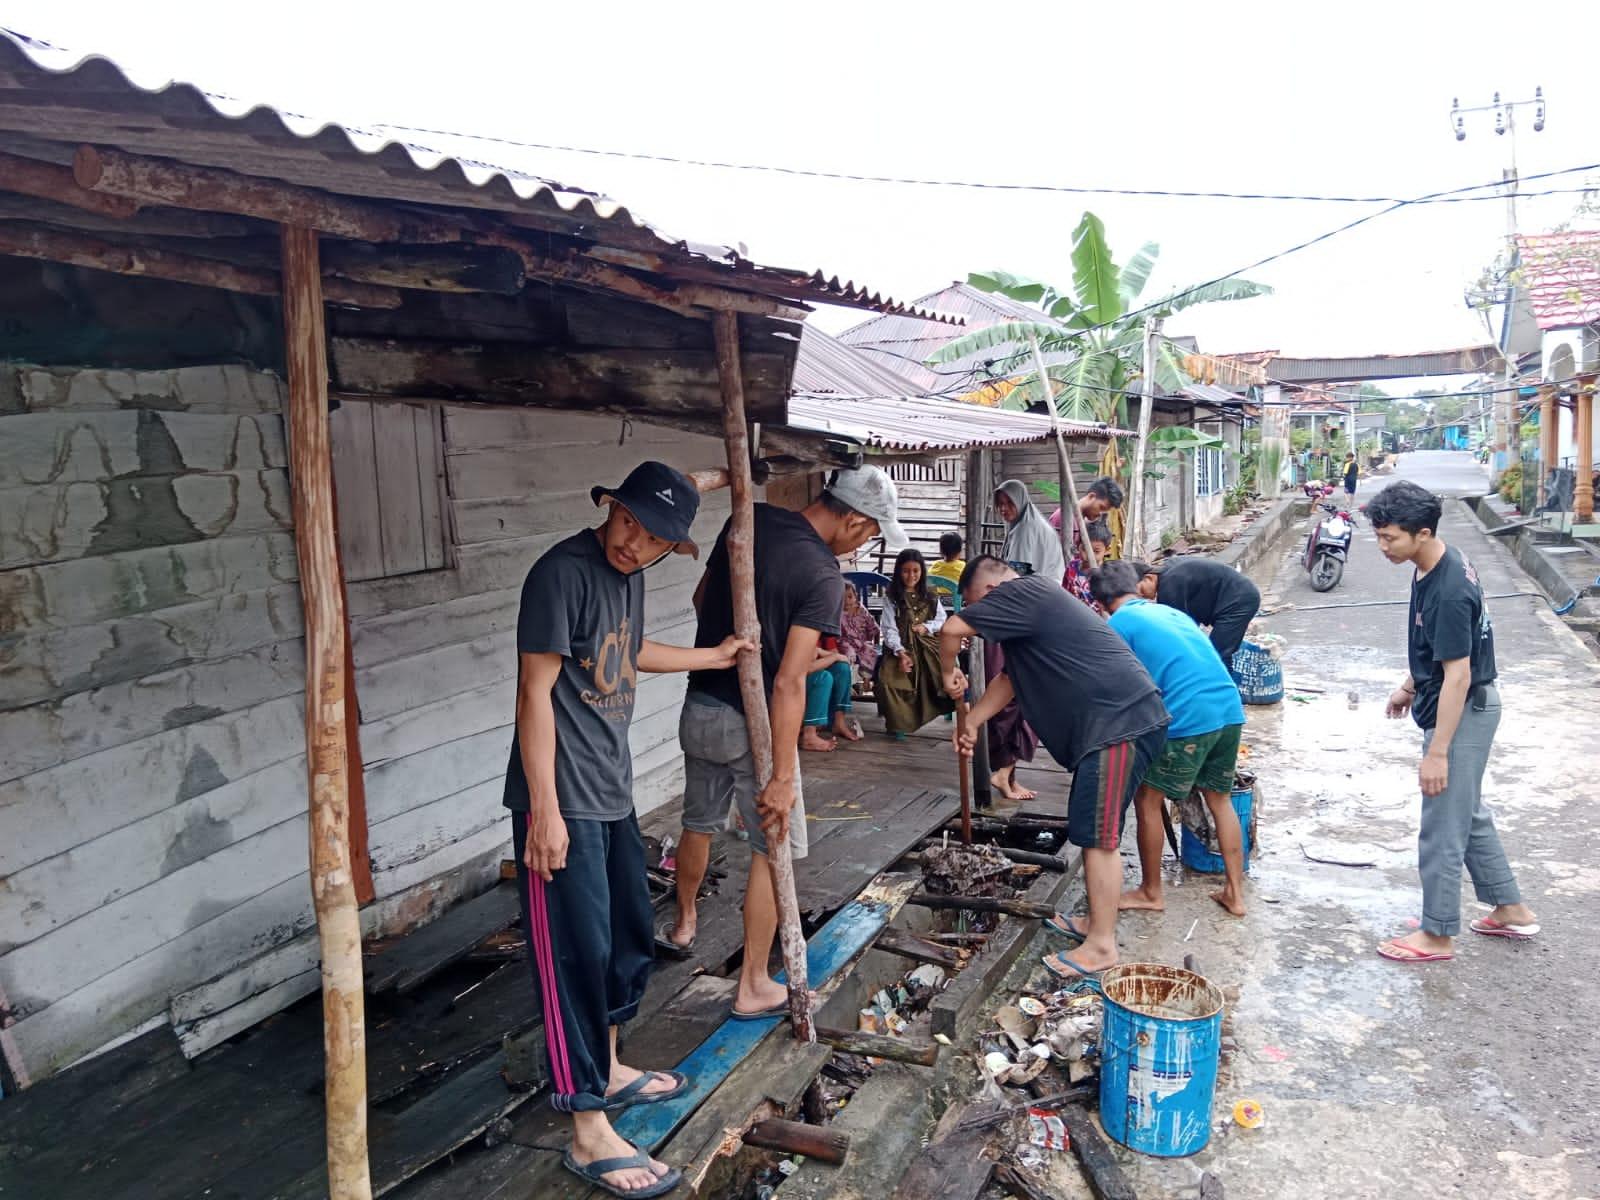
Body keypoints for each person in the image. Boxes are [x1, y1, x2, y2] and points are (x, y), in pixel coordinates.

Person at [505, 461, 752, 1197]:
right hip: (562, 800)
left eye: (650, 539)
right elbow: (534, 690)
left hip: (609, 791)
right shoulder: (561, 573)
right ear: (608, 507)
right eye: (627, 523)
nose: (632, 543)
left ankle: (608, 1066)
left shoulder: (629, 575)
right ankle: (585, 1127)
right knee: (574, 958)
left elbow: (626, 651)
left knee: (623, 939)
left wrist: (712, 656)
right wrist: (544, 810)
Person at [664, 466, 906, 1014]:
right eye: (869, 532)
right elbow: (791, 679)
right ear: (852, 519)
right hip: (750, 723)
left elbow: (704, 600)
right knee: (772, 848)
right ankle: (753, 984)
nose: (864, 543)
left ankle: (683, 924)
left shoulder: (749, 519)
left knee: (697, 820)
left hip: (700, 703)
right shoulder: (821, 574)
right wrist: (780, 776)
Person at [941, 558, 1169, 980]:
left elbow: (951, 629)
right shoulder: (1034, 615)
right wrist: (972, 720)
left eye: (978, 608)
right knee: (1091, 828)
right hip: (1114, 726)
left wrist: (948, 671)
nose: (984, 625)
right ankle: (1093, 925)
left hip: (1117, 726)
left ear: (990, 593)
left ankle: (1102, 945)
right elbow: (1007, 681)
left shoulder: (1021, 591)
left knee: (1099, 837)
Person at [1366, 481, 1539, 964]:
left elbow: (1458, 675)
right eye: (1379, 536)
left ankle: (1437, 934)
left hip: (1464, 710)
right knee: (1468, 812)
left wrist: (1438, 751)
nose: (1383, 547)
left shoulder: (1449, 589)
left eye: (1390, 538)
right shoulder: (1435, 563)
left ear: (1422, 533)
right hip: (1455, 701)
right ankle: (1510, 908)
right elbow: (1437, 652)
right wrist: (1409, 684)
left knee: (1441, 824)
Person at [1090, 562, 1249, 919]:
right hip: (1228, 708)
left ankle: (1150, 892)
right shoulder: (1170, 612)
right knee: (1220, 801)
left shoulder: (1117, 625)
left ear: (1101, 603)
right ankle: (1235, 894)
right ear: (1136, 586)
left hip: (1190, 718)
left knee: (1147, 799)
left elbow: (1120, 686)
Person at [877, 547, 955, 739]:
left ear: (922, 571)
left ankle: (950, 709)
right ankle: (899, 723)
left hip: (927, 645)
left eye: (915, 571)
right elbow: (888, 629)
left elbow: (941, 620)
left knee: (940, 672)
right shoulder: (892, 598)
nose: (911, 575)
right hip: (901, 647)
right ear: (898, 572)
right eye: (905, 571)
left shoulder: (930, 595)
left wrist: (926, 627)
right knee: (889, 680)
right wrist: (900, 652)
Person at [1133, 556, 1261, 667]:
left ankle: (1225, 692)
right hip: (1235, 595)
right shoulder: (1169, 568)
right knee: (1213, 652)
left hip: (1238, 602)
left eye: (1141, 591)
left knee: (1218, 655)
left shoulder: (1168, 587)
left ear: (1149, 578)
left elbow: (1180, 631)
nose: (1141, 597)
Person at [995, 479, 1064, 582]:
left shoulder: (1024, 529)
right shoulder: (1030, 520)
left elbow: (1016, 574)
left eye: (1010, 502)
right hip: (1049, 586)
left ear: (1020, 501)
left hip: (1042, 590)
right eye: (1000, 503)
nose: (1003, 508)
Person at [801, 635, 861, 751]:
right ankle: (809, 735)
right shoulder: (799, 626)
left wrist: (820, 651)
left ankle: (838, 723)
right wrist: (832, 657)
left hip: (813, 673)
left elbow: (839, 657)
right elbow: (806, 668)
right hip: (793, 680)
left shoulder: (823, 628)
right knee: (823, 677)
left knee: (842, 668)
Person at [1064, 519, 1113, 613]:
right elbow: (1065, 591)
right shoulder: (1072, 567)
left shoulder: (1108, 575)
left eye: (1096, 551)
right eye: (1084, 549)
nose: (1088, 555)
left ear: (1107, 550)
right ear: (1078, 545)